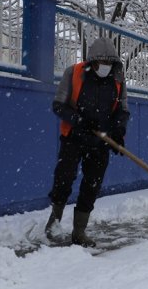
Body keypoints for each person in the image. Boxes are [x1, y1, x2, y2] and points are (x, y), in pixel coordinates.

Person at [44, 37, 130, 246]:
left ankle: (79, 232)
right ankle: (54, 222)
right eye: (102, 62)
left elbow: (122, 110)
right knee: (64, 179)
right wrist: (79, 119)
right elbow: (58, 105)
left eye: (110, 63)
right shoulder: (73, 73)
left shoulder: (117, 79)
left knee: (92, 185)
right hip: (73, 137)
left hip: (101, 141)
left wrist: (118, 131)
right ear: (92, 61)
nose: (106, 67)